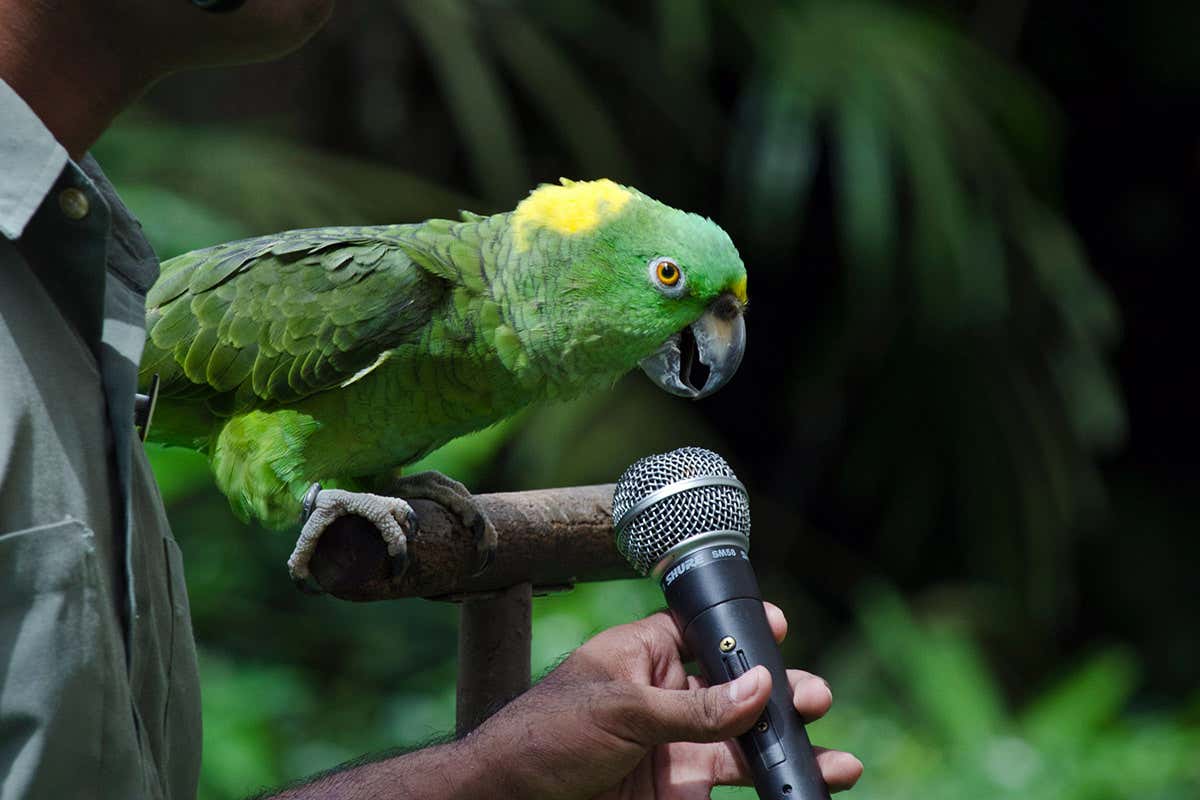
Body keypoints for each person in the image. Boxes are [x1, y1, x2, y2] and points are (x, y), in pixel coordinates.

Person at [0, 2, 863, 798]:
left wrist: (496, 773)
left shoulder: (499, 366)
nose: (696, 322)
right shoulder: (397, 285)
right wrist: (313, 491)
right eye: (667, 280)